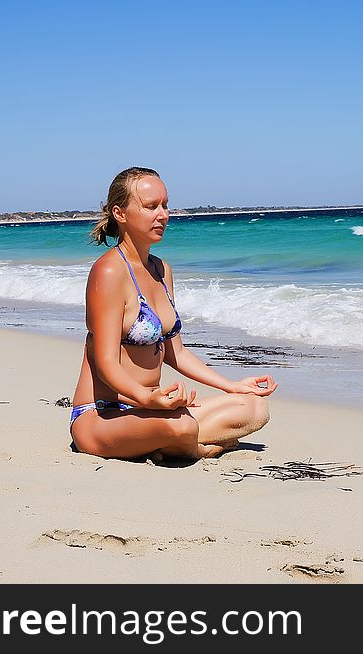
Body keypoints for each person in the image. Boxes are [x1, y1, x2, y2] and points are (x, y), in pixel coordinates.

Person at [69, 167, 278, 461]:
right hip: (103, 416)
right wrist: (146, 397)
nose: (163, 215)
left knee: (254, 408)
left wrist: (231, 385)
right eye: (151, 206)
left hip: (155, 409)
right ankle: (197, 447)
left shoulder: (161, 270)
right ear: (120, 213)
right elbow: (105, 364)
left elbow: (175, 352)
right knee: (180, 426)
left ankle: (175, 443)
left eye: (165, 205)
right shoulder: (108, 272)